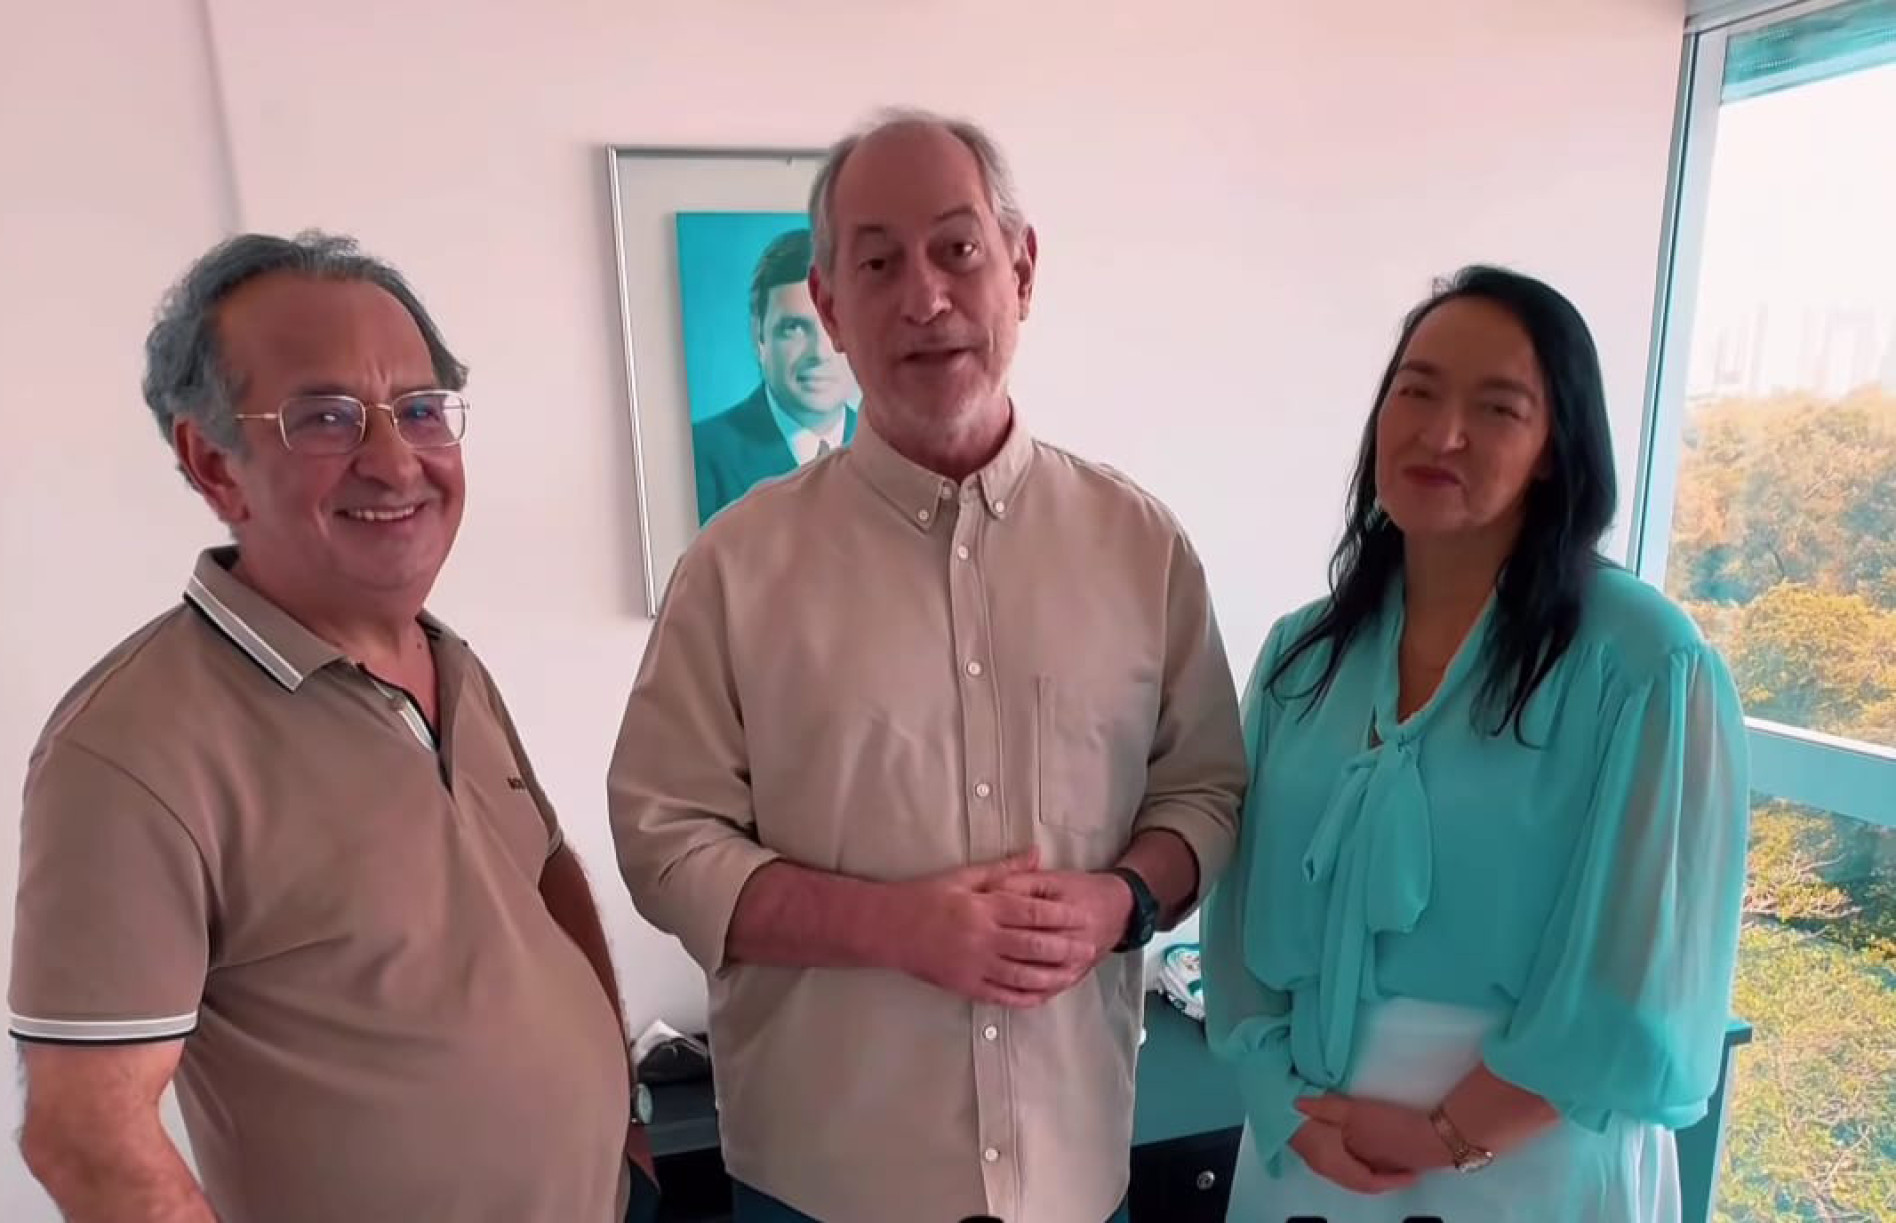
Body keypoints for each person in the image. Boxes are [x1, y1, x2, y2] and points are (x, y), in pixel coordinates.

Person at [608, 109, 1247, 1223]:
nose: (924, 296)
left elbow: (1205, 790)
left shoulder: (1139, 546)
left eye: (958, 249)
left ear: (1022, 269)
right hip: (823, 1185)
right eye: (877, 263)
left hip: (1073, 1171)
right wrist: (893, 926)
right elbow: (665, 840)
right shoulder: (735, 568)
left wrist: (1122, 898)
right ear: (829, 305)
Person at [8, 231, 653, 1223]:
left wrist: (623, 1121)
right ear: (214, 464)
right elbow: (85, 1136)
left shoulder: (450, 662)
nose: (393, 461)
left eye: (420, 410)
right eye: (325, 417)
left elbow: (544, 873)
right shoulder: (130, 748)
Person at [1199, 266, 1750, 1222]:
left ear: (1554, 449)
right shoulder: (1303, 653)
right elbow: (1236, 908)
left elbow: (1638, 976)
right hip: (1310, 1142)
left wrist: (1448, 1135)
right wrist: (1284, 1106)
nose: (1441, 432)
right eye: (1416, 391)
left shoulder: (1644, 661)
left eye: (1497, 408)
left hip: (1533, 1155)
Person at [692, 227, 859, 522]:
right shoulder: (702, 456)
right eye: (795, 328)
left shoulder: (896, 454)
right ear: (758, 335)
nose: (820, 352)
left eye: (836, 322)